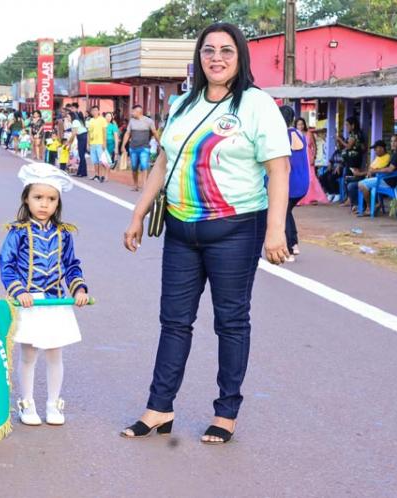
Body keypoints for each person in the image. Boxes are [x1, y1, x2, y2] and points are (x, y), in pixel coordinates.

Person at [121, 22, 291, 444]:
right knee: (173, 322)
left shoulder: (256, 105)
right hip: (181, 229)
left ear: (240, 57)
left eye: (226, 51)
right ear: (199, 57)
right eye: (209, 50)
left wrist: (275, 232)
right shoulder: (182, 104)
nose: (216, 58)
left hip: (235, 229)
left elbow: (279, 169)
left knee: (231, 322)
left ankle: (226, 412)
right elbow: (163, 162)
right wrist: (138, 213)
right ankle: (159, 408)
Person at [0, 162, 89, 426]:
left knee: (54, 354)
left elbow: (72, 265)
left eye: (51, 199)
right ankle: (27, 403)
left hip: (55, 301)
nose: (44, 204)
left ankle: (53, 404)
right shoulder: (17, 232)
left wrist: (80, 289)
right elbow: (6, 264)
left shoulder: (64, 233)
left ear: (57, 202)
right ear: (26, 199)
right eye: (38, 197)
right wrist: (19, 291)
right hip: (28, 302)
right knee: (28, 355)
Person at [279, 106, 309, 261]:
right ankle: (294, 244)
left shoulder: (283, 135)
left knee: (283, 212)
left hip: (291, 182)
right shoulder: (299, 133)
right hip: (303, 181)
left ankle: (291, 248)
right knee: (286, 211)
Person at [356, 136, 397, 216]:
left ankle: (370, 207)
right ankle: (370, 206)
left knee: (361, 184)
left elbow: (390, 169)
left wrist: (375, 171)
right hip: (386, 179)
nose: (392, 143)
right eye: (391, 141)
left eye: (395, 141)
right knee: (362, 183)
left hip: (387, 181)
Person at [121, 105, 161, 191]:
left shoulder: (149, 121)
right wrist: (123, 145)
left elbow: (154, 132)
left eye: (133, 111)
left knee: (144, 166)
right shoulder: (131, 121)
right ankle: (135, 185)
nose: (132, 113)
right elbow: (127, 133)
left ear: (139, 112)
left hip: (144, 147)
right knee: (134, 167)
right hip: (133, 148)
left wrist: (160, 143)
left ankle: (145, 185)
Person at [296, 118, 327, 205]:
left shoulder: (309, 133)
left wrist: (314, 156)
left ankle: (313, 198)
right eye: (298, 124)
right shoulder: (294, 134)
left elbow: (314, 146)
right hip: (299, 158)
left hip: (308, 157)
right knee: (300, 178)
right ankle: (300, 199)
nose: (300, 126)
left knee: (311, 177)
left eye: (302, 124)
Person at [65, 104, 88, 177]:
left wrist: (69, 143)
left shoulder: (75, 122)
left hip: (82, 137)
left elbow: (73, 134)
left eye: (68, 116)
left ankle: (82, 173)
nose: (67, 118)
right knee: (81, 155)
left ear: (71, 116)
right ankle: (81, 172)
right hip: (81, 137)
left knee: (81, 155)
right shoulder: (74, 122)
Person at [87, 105, 108, 183]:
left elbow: (104, 132)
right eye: (93, 111)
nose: (94, 112)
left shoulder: (102, 120)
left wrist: (104, 143)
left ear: (98, 111)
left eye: (96, 110)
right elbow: (89, 132)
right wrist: (88, 143)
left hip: (100, 143)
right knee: (95, 160)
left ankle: (102, 175)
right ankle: (96, 175)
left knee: (101, 160)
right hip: (93, 143)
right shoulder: (91, 120)